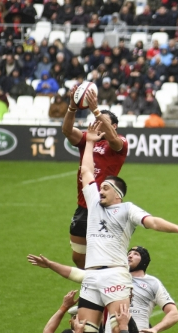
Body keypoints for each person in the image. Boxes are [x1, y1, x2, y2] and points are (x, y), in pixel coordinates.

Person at [28, 115, 178, 333]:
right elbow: (86, 170)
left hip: (115, 275)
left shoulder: (127, 209)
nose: (100, 189)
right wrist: (88, 142)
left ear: (118, 194)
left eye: (106, 187)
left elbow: (152, 222)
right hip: (91, 277)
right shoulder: (93, 204)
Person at [62, 86, 129, 269]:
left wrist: (96, 110)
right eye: (96, 121)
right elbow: (67, 131)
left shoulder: (119, 143)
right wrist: (72, 107)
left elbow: (113, 140)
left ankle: (110, 284)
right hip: (83, 206)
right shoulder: (88, 140)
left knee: (103, 255)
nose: (98, 123)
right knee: (78, 258)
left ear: (113, 126)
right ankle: (94, 282)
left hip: (103, 207)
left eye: (103, 122)